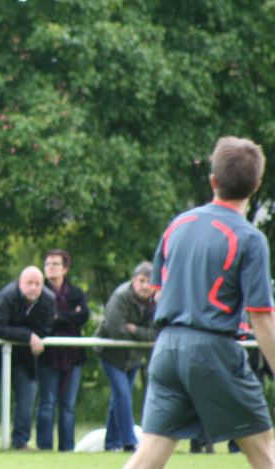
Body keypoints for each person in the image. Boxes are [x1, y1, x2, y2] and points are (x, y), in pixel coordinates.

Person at [127, 136, 275, 469]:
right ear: (256, 186)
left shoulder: (178, 225)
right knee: (265, 453)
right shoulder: (250, 238)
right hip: (213, 351)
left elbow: (159, 292)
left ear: (213, 181)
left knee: (147, 457)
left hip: (166, 349)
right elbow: (261, 317)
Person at [0, 266, 54, 452]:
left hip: (24, 355)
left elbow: (46, 329)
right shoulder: (7, 295)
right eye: (29, 283)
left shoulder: (48, 299)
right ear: (20, 283)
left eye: (38, 284)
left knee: (27, 396)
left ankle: (21, 442)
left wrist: (27, 336)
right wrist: (28, 336)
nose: (33, 287)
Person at [95, 261, 156, 452]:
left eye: (149, 282)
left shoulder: (157, 301)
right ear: (134, 280)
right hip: (111, 354)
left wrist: (134, 329)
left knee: (119, 397)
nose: (145, 286)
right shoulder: (120, 296)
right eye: (141, 281)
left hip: (133, 357)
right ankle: (129, 442)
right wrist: (141, 334)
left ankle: (111, 443)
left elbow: (155, 333)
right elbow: (115, 330)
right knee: (122, 394)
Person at [36, 249, 90, 451]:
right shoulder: (39, 291)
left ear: (65, 269)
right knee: (47, 402)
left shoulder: (76, 292)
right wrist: (69, 316)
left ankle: (67, 448)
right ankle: (44, 447)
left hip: (73, 355)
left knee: (68, 405)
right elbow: (42, 320)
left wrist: (58, 316)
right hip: (48, 355)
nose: (51, 267)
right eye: (48, 264)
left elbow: (84, 316)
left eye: (55, 264)